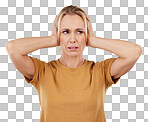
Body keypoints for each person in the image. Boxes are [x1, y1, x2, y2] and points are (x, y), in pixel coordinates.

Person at [6, 5, 142, 122]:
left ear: (86, 35)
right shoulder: (42, 71)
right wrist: (52, 39)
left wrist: (93, 40)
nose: (73, 39)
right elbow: (13, 48)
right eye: (66, 32)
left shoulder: (100, 71)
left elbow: (134, 52)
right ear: (59, 35)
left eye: (79, 32)